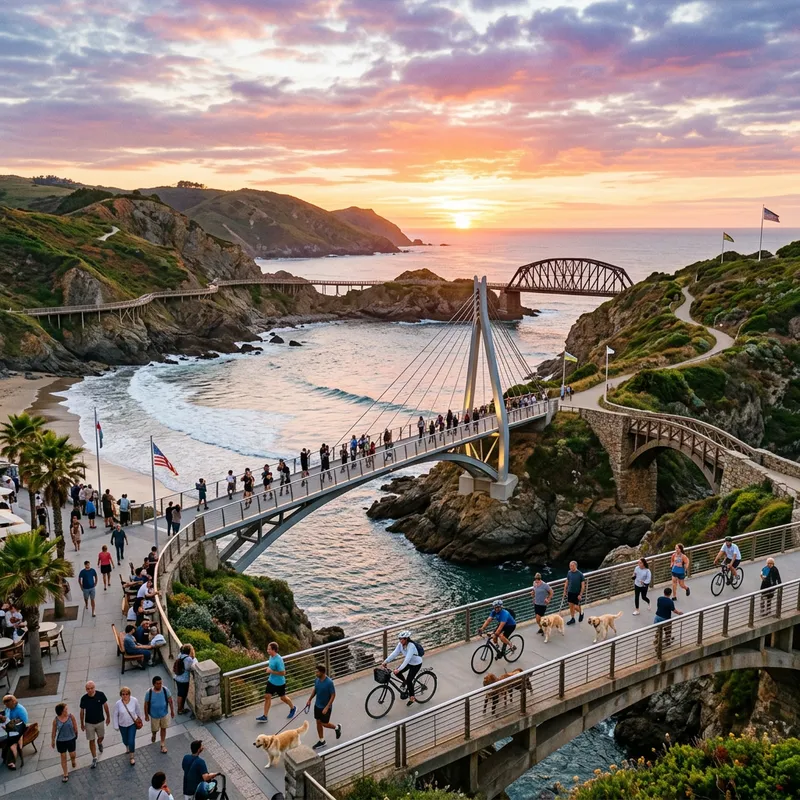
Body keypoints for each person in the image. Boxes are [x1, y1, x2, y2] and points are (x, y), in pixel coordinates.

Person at [256, 641, 295, 722]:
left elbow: (283, 673)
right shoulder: (271, 657)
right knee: (267, 697)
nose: (267, 650)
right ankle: (265, 716)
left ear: (274, 650)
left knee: (283, 698)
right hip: (271, 681)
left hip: (280, 683)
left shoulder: (279, 660)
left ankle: (293, 708)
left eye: (269, 649)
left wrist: (271, 671)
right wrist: (268, 669)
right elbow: (271, 667)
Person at [304, 663, 341, 749]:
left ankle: (337, 728)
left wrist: (327, 707)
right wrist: (309, 700)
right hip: (317, 705)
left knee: (324, 723)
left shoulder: (329, 682)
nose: (315, 673)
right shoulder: (316, 680)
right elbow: (315, 690)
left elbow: (333, 695)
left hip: (325, 707)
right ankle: (322, 741)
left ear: (322, 672)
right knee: (318, 722)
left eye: (317, 672)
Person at [382, 631, 422, 706]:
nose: (400, 640)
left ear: (406, 639)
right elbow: (394, 653)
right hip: (409, 663)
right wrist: (386, 661)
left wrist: (399, 669)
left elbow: (407, 660)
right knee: (396, 672)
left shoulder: (411, 646)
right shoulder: (400, 645)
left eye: (402, 639)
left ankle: (412, 698)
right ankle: (405, 682)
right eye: (399, 639)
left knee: (409, 680)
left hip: (416, 664)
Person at [79, 681, 110, 769]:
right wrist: (82, 723)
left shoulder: (101, 695)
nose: (90, 690)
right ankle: (94, 757)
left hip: (100, 721)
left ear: (94, 687)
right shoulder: (84, 698)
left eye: (92, 688)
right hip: (89, 723)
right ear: (86, 689)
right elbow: (82, 712)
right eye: (88, 689)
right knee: (91, 740)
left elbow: (105, 706)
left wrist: (108, 717)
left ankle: (99, 742)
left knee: (101, 736)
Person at [112, 686, 142, 765]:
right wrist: (116, 726)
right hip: (122, 725)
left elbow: (138, 710)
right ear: (121, 695)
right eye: (123, 694)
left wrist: (140, 719)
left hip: (132, 724)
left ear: (129, 694)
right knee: (125, 740)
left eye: (126, 694)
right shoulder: (118, 704)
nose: (125, 696)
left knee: (131, 740)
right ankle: (127, 746)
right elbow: (115, 715)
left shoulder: (134, 700)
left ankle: (131, 756)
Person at [144, 676, 174, 753]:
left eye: (160, 683)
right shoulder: (149, 692)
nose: (160, 685)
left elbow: (170, 700)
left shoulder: (165, 690)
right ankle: (154, 735)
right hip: (154, 716)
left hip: (164, 714)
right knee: (155, 729)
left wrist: (172, 711)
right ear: (154, 684)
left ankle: (162, 744)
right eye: (157, 683)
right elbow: (146, 704)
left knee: (163, 728)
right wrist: (146, 715)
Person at [51, 702, 79, 782]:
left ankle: (73, 760)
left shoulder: (71, 717)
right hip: (61, 741)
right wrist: (52, 740)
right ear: (61, 711)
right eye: (65, 709)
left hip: (71, 738)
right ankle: (65, 774)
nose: (67, 710)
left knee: (72, 754)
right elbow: (53, 731)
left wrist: (76, 732)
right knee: (63, 757)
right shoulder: (56, 720)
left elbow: (75, 725)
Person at [0, 694, 27, 770]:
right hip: (9, 727)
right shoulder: (9, 708)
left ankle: (11, 762)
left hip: (18, 729)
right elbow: (7, 716)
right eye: (6, 705)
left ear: (13, 702)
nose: (7, 707)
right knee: (6, 739)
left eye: (8, 705)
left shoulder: (20, 710)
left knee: (11, 741)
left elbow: (24, 722)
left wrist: (10, 727)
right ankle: (5, 756)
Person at [174, 643, 197, 715]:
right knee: (182, 694)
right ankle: (180, 710)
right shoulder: (188, 659)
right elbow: (188, 668)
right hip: (184, 680)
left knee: (180, 693)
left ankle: (181, 708)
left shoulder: (180, 655)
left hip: (178, 677)